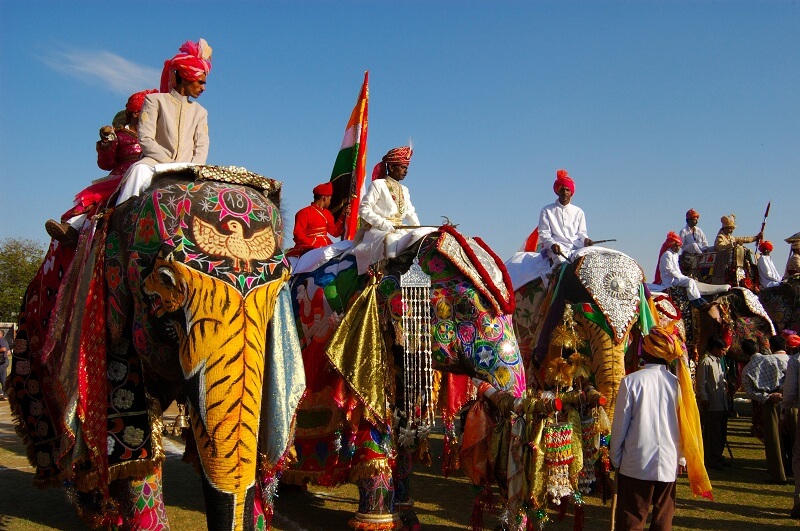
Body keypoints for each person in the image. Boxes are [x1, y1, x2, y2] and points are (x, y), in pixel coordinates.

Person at [611, 326, 711, 530]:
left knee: (632, 517)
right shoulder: (677, 384)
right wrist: (681, 457)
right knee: (663, 518)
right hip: (668, 462)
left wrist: (615, 458)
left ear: (647, 351)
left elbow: (620, 425)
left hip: (635, 463)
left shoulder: (631, 382)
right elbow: (686, 425)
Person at [45, 89, 157, 244]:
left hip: (153, 174)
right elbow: (106, 164)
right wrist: (106, 144)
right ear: (137, 113)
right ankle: (72, 227)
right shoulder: (119, 135)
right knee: (99, 200)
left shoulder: (157, 137)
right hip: (122, 178)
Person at [116, 39, 212, 205]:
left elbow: (202, 146)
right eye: (200, 82)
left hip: (188, 170)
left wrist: (190, 167)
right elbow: (146, 139)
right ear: (186, 77)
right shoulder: (154, 101)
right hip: (155, 165)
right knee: (138, 171)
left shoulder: (200, 112)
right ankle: (121, 222)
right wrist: (170, 164)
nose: (203, 88)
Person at [354, 146, 430, 274]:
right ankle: (386, 276)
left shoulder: (405, 190)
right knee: (392, 240)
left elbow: (410, 212)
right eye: (403, 167)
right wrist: (384, 224)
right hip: (379, 230)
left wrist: (419, 229)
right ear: (391, 167)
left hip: (399, 228)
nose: (406, 171)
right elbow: (364, 209)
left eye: (407, 168)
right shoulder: (378, 185)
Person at [741, 338, 792, 484]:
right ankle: (793, 469)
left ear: (744, 352)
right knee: (792, 435)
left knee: (773, 439)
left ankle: (778, 474)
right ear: (758, 347)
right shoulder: (774, 360)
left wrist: (768, 396)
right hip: (786, 398)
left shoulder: (747, 369)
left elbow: (750, 392)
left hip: (769, 403)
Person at [537, 169, 592, 266]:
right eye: (562, 189)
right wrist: (552, 244)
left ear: (571, 192)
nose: (565, 192)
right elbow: (544, 233)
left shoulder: (579, 212)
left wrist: (586, 240)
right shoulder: (547, 210)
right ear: (557, 192)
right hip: (556, 248)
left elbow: (582, 233)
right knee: (562, 264)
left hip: (577, 247)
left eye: (567, 190)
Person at [696, 334, 732, 471]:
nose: (724, 353)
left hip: (721, 402)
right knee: (713, 433)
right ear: (716, 348)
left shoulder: (717, 361)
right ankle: (711, 458)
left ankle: (718, 456)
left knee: (721, 432)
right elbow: (701, 383)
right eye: (722, 350)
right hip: (711, 403)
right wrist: (703, 398)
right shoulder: (706, 361)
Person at [287, 182, 344, 257]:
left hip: (326, 245)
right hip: (308, 246)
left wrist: (343, 215)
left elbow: (335, 233)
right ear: (324, 198)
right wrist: (315, 243)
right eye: (330, 198)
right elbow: (298, 235)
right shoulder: (303, 213)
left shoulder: (327, 213)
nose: (330, 201)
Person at [655, 232, 709, 308]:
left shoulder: (675, 255)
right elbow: (670, 271)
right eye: (676, 246)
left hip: (676, 277)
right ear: (671, 246)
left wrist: (682, 276)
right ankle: (697, 303)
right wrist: (683, 277)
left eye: (679, 246)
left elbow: (677, 269)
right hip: (670, 280)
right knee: (690, 281)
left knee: (693, 281)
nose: (677, 248)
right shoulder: (667, 254)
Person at [714, 214, 762, 286]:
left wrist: (755, 238)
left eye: (732, 229)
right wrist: (732, 244)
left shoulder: (732, 237)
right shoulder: (720, 237)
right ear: (725, 228)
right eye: (730, 228)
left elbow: (744, 239)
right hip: (723, 261)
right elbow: (719, 247)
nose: (731, 230)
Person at [0, 330, 8, 400]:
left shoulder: (1, 340)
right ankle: (2, 393)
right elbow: (8, 352)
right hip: (4, 361)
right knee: (2, 378)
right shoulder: (4, 340)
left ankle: (4, 394)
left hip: (2, 362)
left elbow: (3, 349)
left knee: (3, 378)